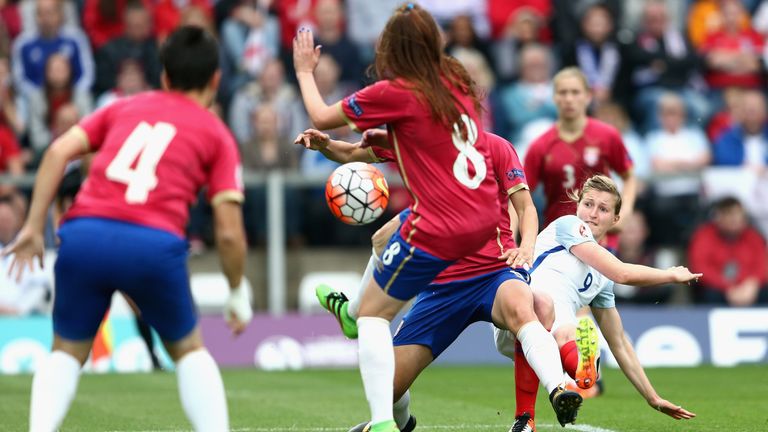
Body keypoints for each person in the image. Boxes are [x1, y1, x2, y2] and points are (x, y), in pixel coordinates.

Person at [292, 4, 580, 431]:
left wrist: (303, 71)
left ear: (391, 49)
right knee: (385, 252)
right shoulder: (448, 94)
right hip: (457, 259)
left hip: (471, 254)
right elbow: (358, 150)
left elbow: (322, 115)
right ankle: (400, 416)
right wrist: (331, 146)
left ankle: (381, 413)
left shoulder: (400, 96)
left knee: (375, 314)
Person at [2, 26, 252, 432]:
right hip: (152, 243)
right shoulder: (217, 134)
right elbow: (227, 232)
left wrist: (32, 227)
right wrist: (237, 290)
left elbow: (57, 151)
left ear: (165, 76)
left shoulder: (124, 107)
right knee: (189, 350)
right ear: (216, 79)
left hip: (84, 235)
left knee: (65, 352)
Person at [494, 175, 699, 431]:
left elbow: (619, 342)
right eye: (588, 204)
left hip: (549, 341)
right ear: (578, 206)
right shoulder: (569, 225)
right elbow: (622, 273)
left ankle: (574, 380)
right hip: (515, 312)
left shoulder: (601, 276)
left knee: (567, 329)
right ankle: (581, 368)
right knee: (544, 305)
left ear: (615, 219)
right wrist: (670, 274)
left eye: (603, 209)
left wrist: (652, 397)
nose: (592, 214)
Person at [688, 197, 768, 305]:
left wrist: (752, 283)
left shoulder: (753, 237)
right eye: (730, 215)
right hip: (717, 290)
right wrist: (727, 287)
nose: (735, 220)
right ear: (718, 217)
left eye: (738, 215)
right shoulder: (704, 236)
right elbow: (699, 268)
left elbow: (763, 265)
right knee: (709, 294)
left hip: (748, 290)